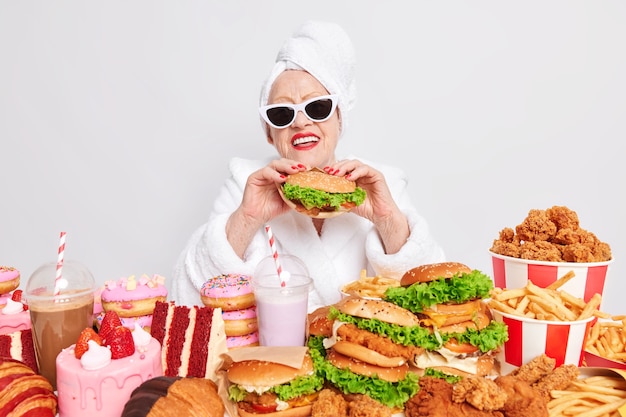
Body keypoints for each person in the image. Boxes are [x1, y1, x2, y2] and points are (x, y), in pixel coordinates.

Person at [172, 21, 444, 311]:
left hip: (362, 352)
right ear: (268, 132)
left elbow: (439, 303)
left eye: (317, 107)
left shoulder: (381, 184)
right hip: (277, 354)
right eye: (281, 113)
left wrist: (387, 218)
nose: (301, 122)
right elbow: (187, 302)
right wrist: (247, 218)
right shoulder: (245, 185)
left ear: (339, 118)